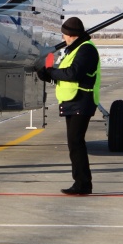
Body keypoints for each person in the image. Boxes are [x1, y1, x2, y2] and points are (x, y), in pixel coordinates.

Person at [38, 17, 100, 195]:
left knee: (76, 142)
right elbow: (65, 75)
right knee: (74, 142)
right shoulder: (74, 50)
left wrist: (52, 71)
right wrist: (48, 75)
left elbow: (74, 73)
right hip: (72, 101)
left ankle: (82, 184)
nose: (63, 38)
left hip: (81, 99)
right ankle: (82, 182)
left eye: (64, 34)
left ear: (71, 35)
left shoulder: (86, 49)